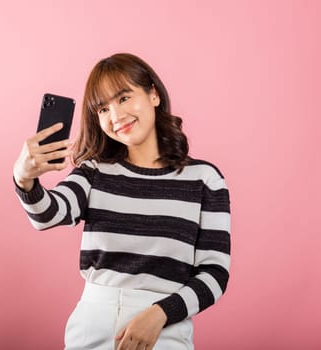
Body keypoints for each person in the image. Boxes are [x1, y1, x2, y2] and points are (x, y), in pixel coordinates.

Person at [13, 53, 231, 350]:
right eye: (103, 108)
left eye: (124, 98)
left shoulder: (205, 179)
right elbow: (49, 214)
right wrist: (24, 179)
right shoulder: (95, 172)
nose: (115, 116)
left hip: (163, 331)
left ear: (153, 94)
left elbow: (215, 273)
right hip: (92, 326)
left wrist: (160, 314)